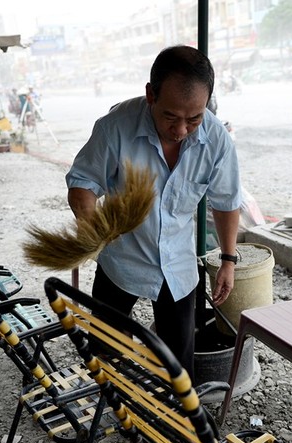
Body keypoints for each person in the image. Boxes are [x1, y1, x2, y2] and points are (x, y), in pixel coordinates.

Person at [66, 45, 242, 378]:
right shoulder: (115, 128)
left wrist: (228, 260)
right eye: (170, 117)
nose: (181, 130)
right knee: (107, 353)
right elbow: (82, 184)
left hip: (178, 266)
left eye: (194, 119)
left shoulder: (216, 139)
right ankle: (116, 406)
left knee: (178, 366)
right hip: (120, 261)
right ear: (151, 95)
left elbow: (226, 200)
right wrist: (91, 233)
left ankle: (174, 419)